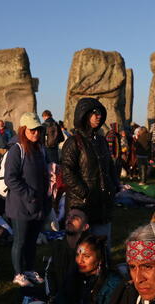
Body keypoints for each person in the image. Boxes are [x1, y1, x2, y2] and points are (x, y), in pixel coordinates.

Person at [4, 112, 50, 287]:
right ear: (23, 130)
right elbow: (11, 178)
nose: (36, 133)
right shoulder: (17, 149)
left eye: (38, 129)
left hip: (38, 204)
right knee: (20, 241)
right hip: (20, 205)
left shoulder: (40, 149)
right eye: (32, 130)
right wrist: (29, 194)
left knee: (32, 240)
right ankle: (18, 273)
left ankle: (29, 269)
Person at [61, 98, 117, 241]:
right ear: (84, 115)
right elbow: (67, 171)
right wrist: (85, 193)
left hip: (102, 203)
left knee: (102, 246)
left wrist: (114, 185)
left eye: (100, 113)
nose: (98, 116)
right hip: (81, 204)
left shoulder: (101, 141)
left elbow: (109, 166)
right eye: (94, 113)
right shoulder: (73, 142)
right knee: (81, 248)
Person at [44, 208, 90, 299]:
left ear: (85, 227)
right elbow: (49, 272)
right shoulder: (58, 245)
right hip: (58, 297)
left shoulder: (89, 250)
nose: (70, 219)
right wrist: (52, 295)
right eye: (68, 216)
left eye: (75, 218)